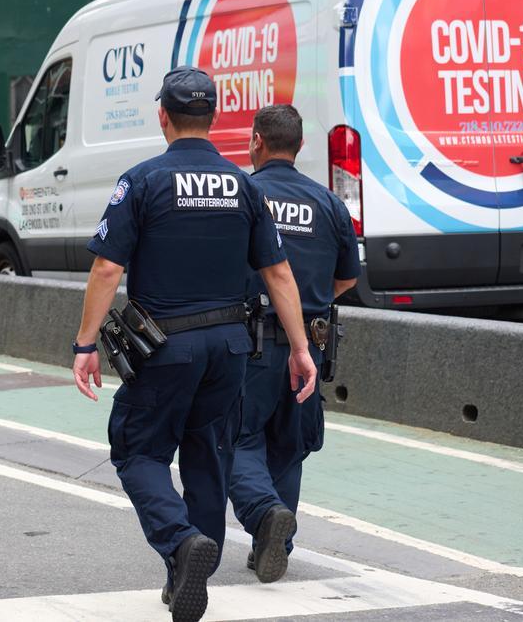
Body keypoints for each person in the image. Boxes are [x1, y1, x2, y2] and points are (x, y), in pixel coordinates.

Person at [70, 67, 316, 622]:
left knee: (137, 451)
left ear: (163, 116)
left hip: (163, 346)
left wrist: (86, 343)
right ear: (214, 119)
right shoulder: (245, 186)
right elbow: (278, 274)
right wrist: (300, 349)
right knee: (209, 455)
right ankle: (187, 570)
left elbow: (108, 267)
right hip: (231, 346)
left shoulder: (142, 181)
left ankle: (181, 545)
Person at [228, 105, 359, 584]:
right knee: (289, 444)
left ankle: (264, 516)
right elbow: (346, 278)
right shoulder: (328, 202)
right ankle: (275, 544)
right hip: (312, 343)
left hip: (252, 341)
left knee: (236, 437)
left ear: (257, 141)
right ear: (300, 145)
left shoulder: (243, 192)